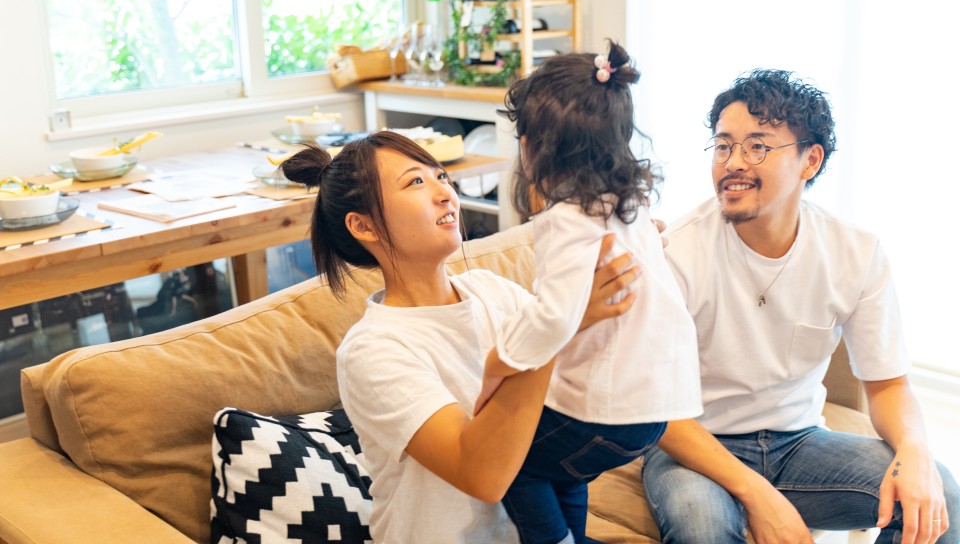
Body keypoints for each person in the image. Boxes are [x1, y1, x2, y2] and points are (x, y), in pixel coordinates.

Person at [643, 69, 959, 544]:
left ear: (810, 160)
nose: (733, 162)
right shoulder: (676, 253)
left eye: (757, 146)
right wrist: (758, 495)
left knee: (940, 495)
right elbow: (655, 410)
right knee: (702, 527)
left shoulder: (854, 252)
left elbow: (888, 383)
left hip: (799, 443)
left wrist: (914, 452)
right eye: (723, 146)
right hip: (694, 447)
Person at [279, 131, 639, 543]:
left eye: (441, 176)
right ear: (363, 225)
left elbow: (577, 378)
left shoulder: (493, 291)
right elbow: (482, 476)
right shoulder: (372, 350)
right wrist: (560, 326)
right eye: (416, 181)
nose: (445, 194)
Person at [478, 41, 702, 544]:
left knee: (511, 459)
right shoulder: (629, 207)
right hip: (654, 411)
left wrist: (498, 363)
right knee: (564, 468)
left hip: (605, 407)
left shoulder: (565, 219)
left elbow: (553, 317)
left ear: (533, 148)